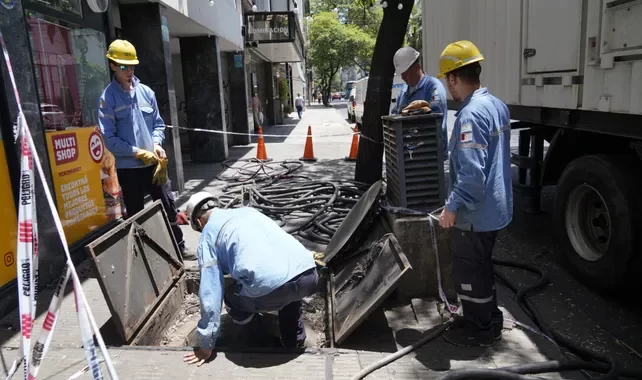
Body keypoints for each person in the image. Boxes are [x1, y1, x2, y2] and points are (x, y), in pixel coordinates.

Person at [182, 192, 319, 366]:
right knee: (288, 286)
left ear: (199, 222)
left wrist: (206, 345)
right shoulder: (249, 212)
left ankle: (251, 336)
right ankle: (294, 342)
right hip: (309, 274)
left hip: (273, 290)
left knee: (231, 293)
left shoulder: (208, 235)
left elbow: (211, 295)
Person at [436, 40, 513, 347]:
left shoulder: (470, 116)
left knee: (469, 273)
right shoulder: (497, 105)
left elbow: (471, 175)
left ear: (454, 77)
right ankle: (490, 318)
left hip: (474, 215)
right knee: (482, 267)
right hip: (495, 211)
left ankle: (480, 330)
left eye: (446, 79)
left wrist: (451, 207)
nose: (447, 86)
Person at [97, 39, 195, 261]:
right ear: (112, 65)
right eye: (124, 66)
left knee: (168, 207)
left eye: (132, 66)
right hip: (129, 169)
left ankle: (179, 248)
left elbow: (158, 124)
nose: (129, 71)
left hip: (153, 166)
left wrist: (157, 144)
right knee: (136, 214)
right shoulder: (107, 99)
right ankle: (145, 259)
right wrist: (136, 152)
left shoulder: (146, 92)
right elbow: (109, 138)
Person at [392, 46, 449, 160]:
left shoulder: (433, 87)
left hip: (430, 155)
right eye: (401, 74)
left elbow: (437, 122)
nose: (403, 77)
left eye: (406, 73)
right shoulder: (403, 91)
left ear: (417, 68)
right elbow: (395, 115)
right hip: (409, 155)